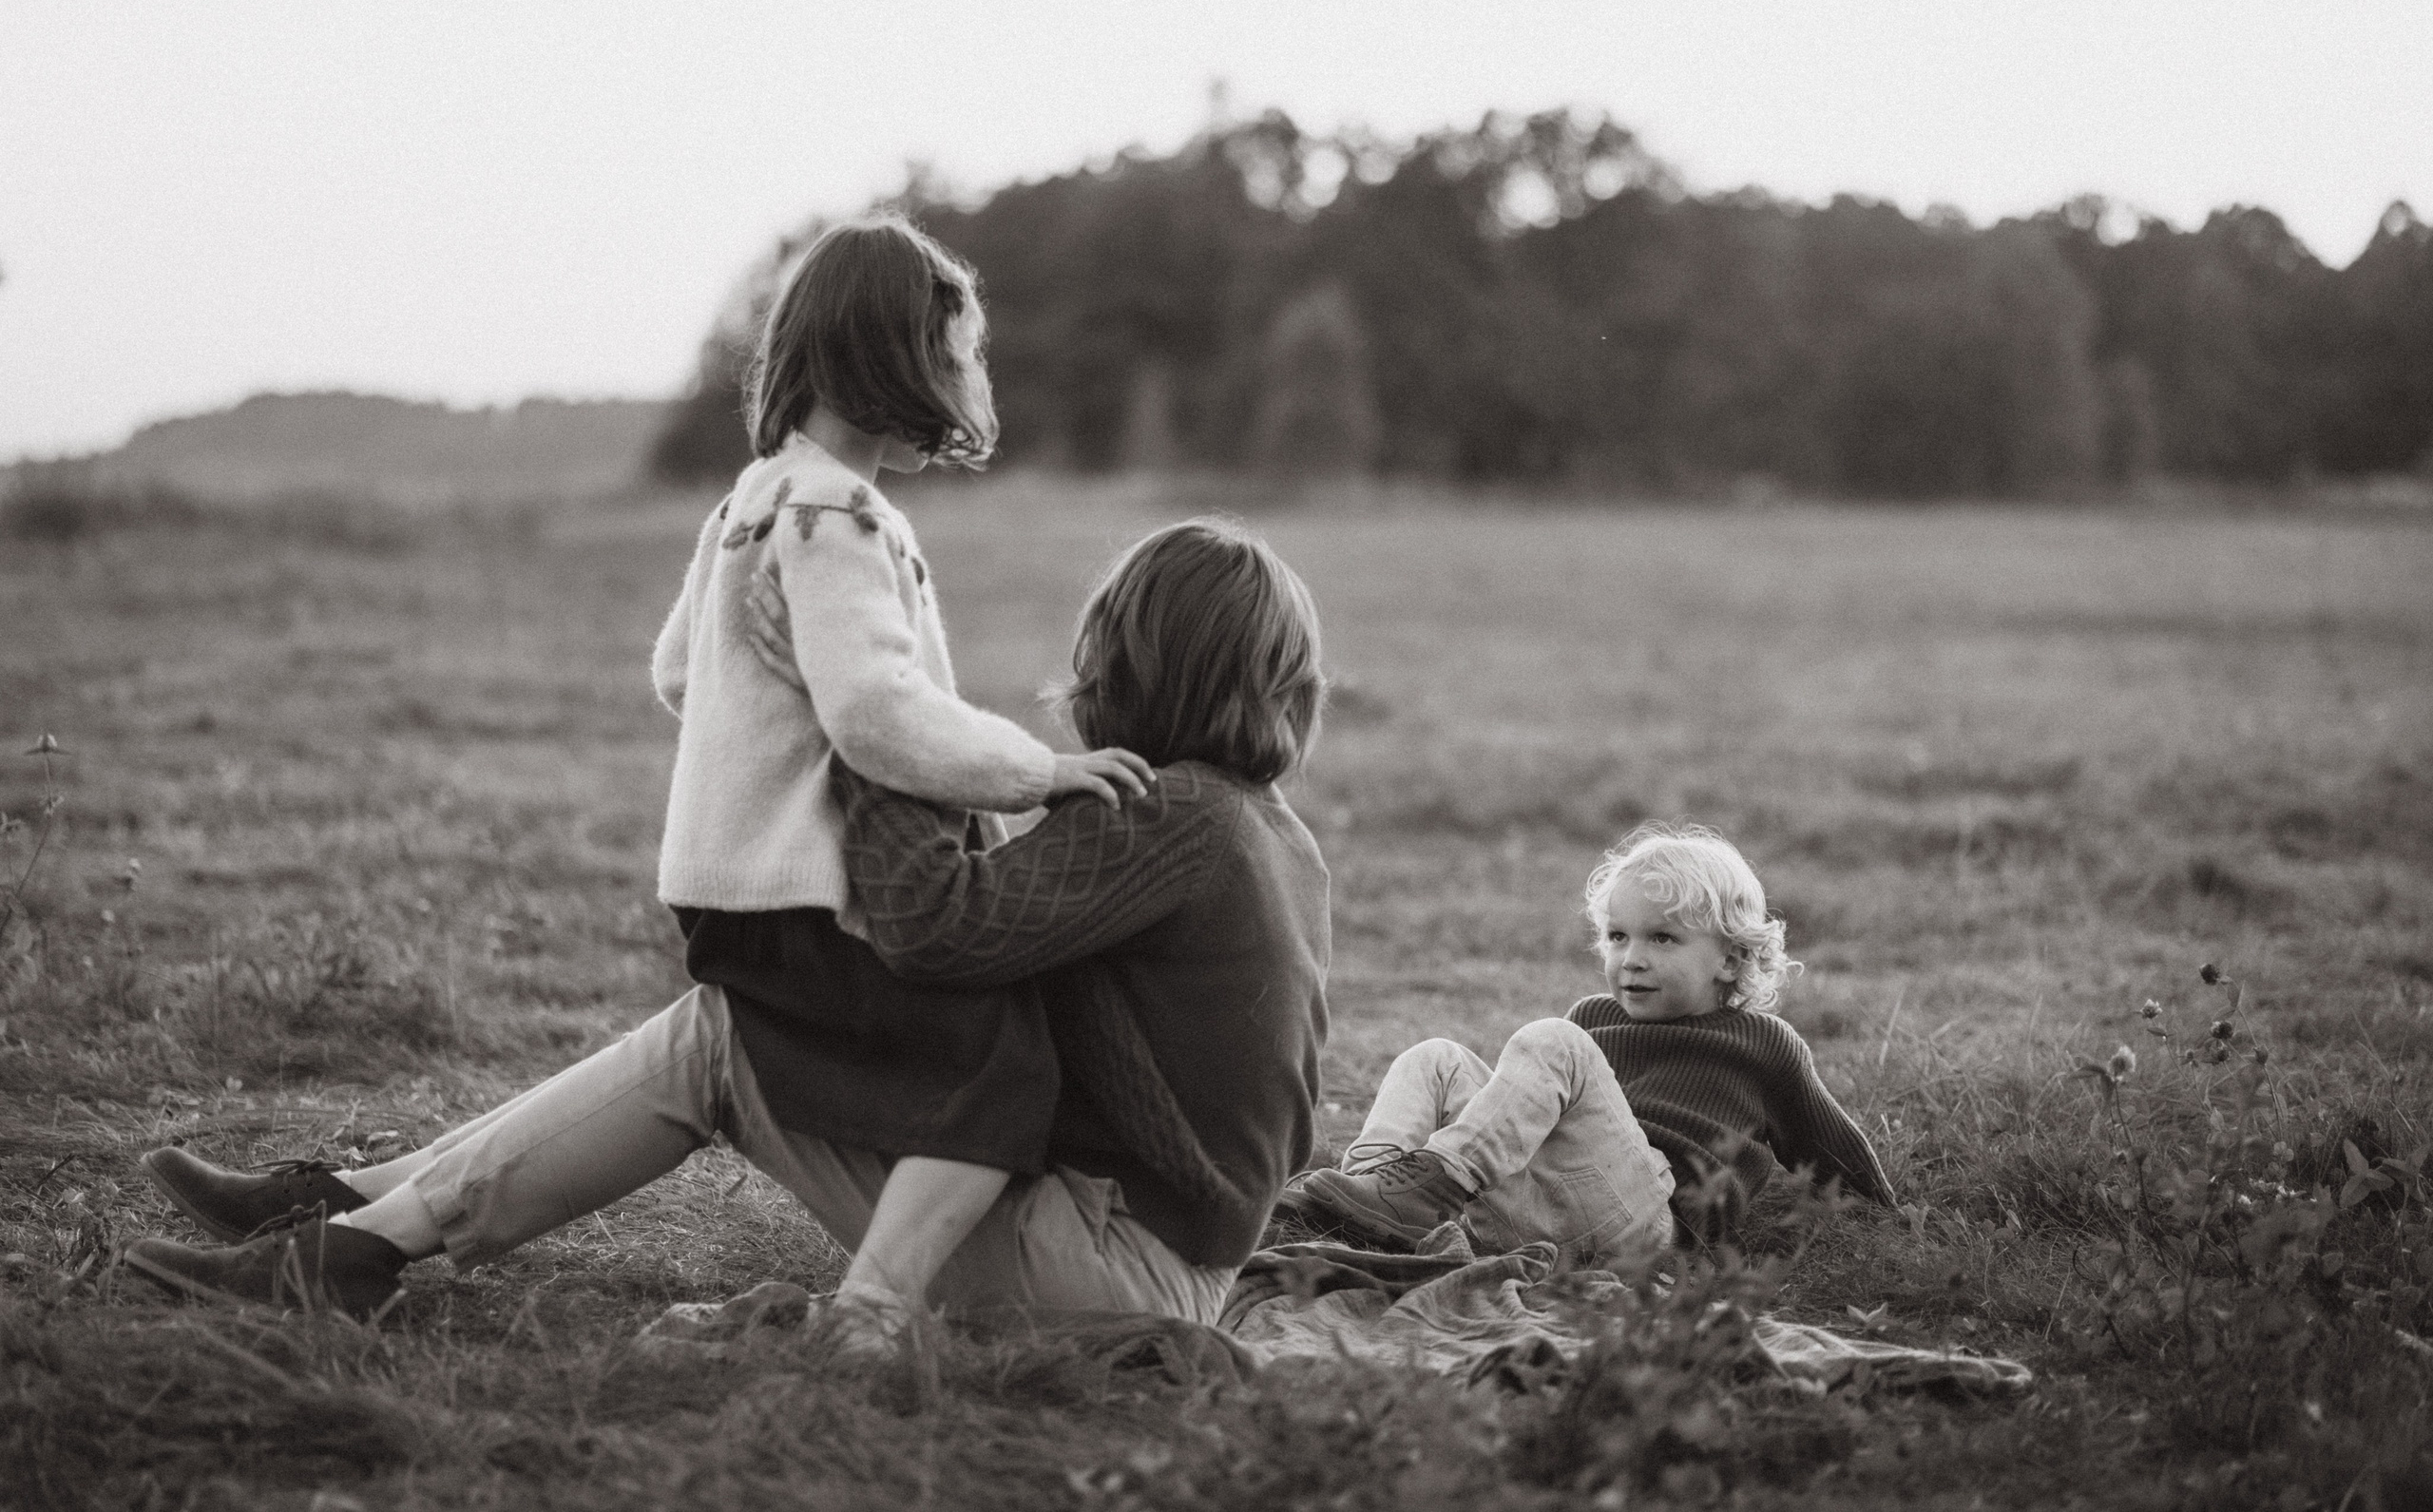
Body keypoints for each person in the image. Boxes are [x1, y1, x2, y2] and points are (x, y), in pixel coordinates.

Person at [123, 518, 1331, 1329]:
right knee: (729, 1024)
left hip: (1109, 1268)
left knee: (723, 1037)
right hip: (1171, 1266)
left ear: (1127, 662)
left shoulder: (1167, 816)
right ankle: (347, 1202)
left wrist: (861, 732)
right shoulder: (1269, 834)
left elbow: (941, 931)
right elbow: (1009, 947)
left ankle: (353, 1256)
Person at [1278, 824, 1891, 1265]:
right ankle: (1371, 1197)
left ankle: (1427, 1187)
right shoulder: (1594, 1018)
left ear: (1731, 959)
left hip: (1657, 1224)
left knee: (1555, 1040)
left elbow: (1828, 1141)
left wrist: (1889, 1214)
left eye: (1663, 940)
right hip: (1551, 1208)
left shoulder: (1764, 1044)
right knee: (1434, 1059)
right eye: (1618, 937)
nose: (1632, 960)